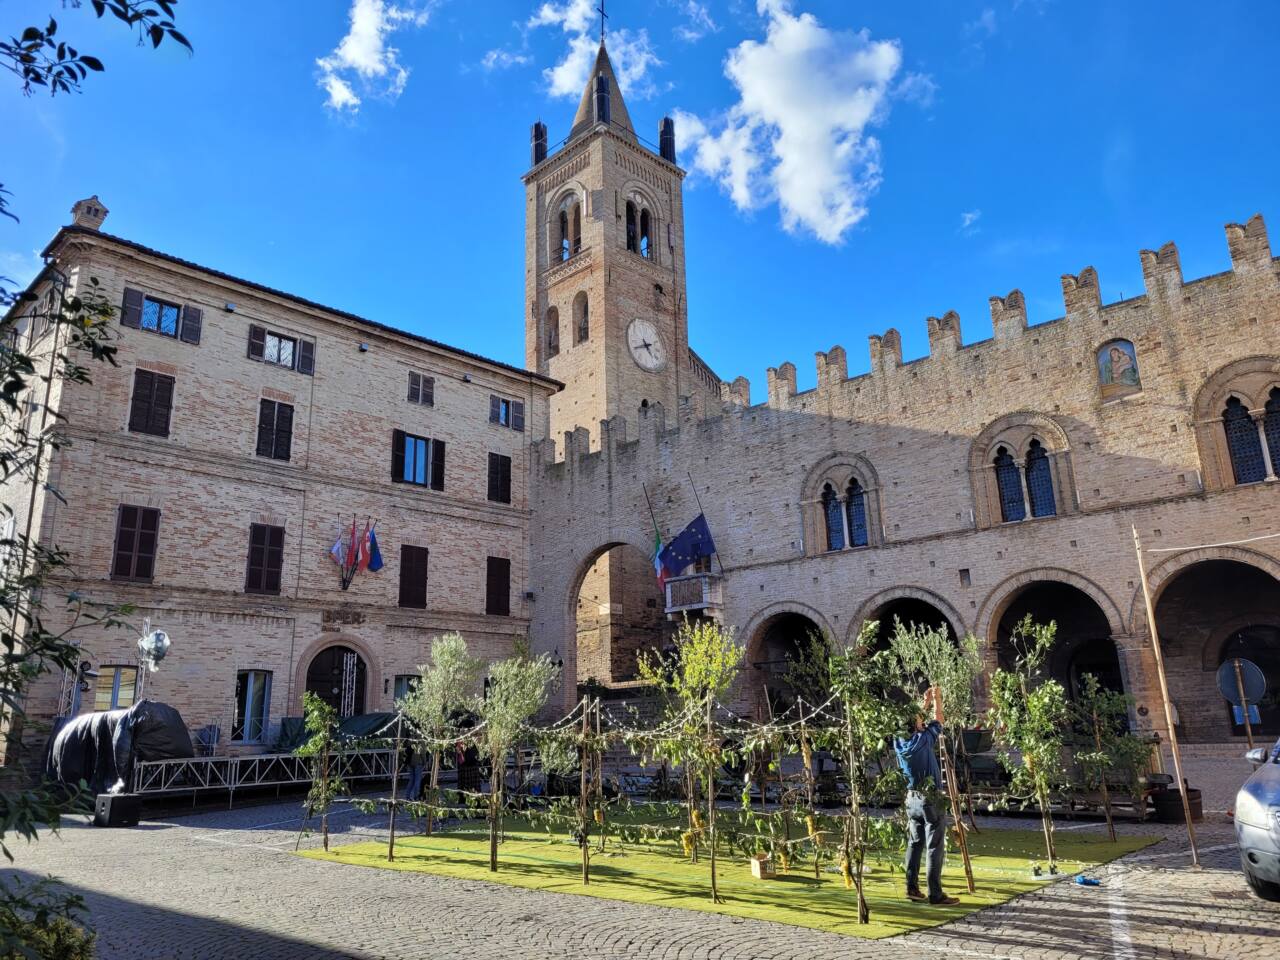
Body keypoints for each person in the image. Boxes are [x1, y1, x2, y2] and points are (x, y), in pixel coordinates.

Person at [894, 685, 960, 906]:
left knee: (914, 843)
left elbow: (913, 723)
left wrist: (925, 702)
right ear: (917, 725)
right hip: (930, 797)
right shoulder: (923, 740)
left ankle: (911, 887)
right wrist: (937, 699)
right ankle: (935, 893)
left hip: (911, 798)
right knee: (934, 845)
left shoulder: (899, 741)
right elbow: (939, 720)